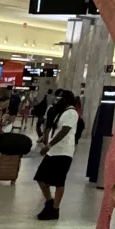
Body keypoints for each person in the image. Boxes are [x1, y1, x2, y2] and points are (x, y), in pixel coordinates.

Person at [34, 90, 81, 221]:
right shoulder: (61, 111)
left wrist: (49, 145)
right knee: (40, 177)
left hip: (63, 152)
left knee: (59, 182)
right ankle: (49, 202)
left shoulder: (71, 113)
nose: (56, 100)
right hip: (53, 151)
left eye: (59, 98)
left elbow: (64, 131)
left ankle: (55, 209)